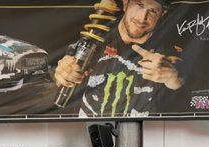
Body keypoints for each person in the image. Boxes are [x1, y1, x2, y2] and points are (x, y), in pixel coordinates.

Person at [54, 0, 183, 117]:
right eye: (139, 5)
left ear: (162, 14)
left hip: (141, 128)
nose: (142, 18)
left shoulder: (166, 46)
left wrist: (172, 76)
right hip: (90, 127)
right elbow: (65, 73)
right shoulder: (96, 38)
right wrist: (64, 73)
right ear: (126, 4)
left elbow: (181, 74)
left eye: (153, 11)